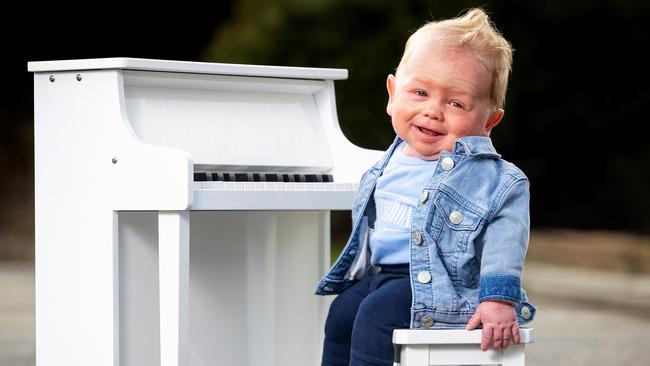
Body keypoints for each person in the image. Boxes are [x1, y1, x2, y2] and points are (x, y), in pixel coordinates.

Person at [314, 8, 536, 366]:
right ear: (392, 93)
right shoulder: (390, 159)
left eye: (456, 102)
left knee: (375, 317)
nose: (432, 110)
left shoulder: (493, 179)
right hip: (384, 276)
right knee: (341, 313)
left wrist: (498, 298)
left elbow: (505, 241)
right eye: (419, 92)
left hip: (443, 286)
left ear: (489, 121)